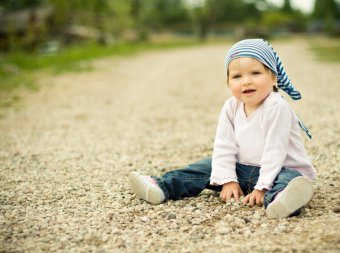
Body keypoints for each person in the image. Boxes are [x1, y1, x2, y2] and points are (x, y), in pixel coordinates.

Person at [128, 39, 316, 218]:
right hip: (243, 171)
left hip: (280, 169)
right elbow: (224, 144)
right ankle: (162, 186)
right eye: (237, 76)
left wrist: (262, 187)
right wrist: (228, 180)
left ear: (273, 77)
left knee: (289, 178)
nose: (246, 81)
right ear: (228, 83)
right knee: (205, 166)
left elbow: (275, 150)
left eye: (255, 73)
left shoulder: (277, 107)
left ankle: (281, 198)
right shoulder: (231, 106)